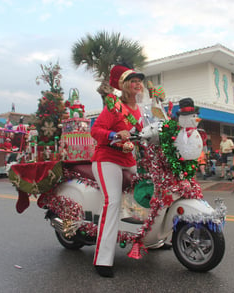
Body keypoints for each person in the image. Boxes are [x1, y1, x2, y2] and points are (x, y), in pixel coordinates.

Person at [90, 64, 145, 278]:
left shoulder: (140, 110)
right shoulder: (114, 107)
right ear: (124, 86)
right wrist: (114, 135)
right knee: (112, 202)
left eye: (139, 80)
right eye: (133, 81)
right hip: (107, 158)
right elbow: (95, 130)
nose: (138, 84)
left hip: (128, 158)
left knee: (143, 196)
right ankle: (102, 260)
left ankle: (150, 241)